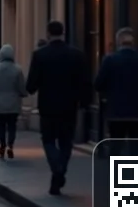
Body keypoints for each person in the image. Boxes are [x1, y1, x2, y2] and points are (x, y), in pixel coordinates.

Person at [26, 19, 91, 197]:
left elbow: (31, 85)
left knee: (48, 140)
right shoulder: (77, 55)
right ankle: (60, 168)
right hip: (69, 106)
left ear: (48, 34)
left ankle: (57, 168)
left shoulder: (40, 55)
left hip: (47, 106)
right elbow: (85, 82)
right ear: (63, 33)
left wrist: (34, 87)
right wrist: (84, 103)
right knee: (66, 141)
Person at [95, 27, 138, 141]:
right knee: (137, 146)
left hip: (116, 111)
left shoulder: (109, 60)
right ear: (133, 43)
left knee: (116, 144)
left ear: (118, 42)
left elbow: (99, 84)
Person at [0, 44, 25, 159]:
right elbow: (21, 86)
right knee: (12, 125)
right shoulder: (17, 70)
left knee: (1, 125)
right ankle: (10, 145)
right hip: (13, 103)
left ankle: (2, 145)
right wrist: (24, 93)